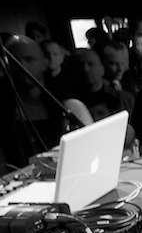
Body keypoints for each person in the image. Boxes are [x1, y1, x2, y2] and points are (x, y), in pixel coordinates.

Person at [0, 35, 91, 172]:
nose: (22, 66)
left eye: (29, 59)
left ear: (44, 63)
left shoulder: (69, 106)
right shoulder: (5, 111)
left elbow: (92, 151)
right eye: (15, 61)